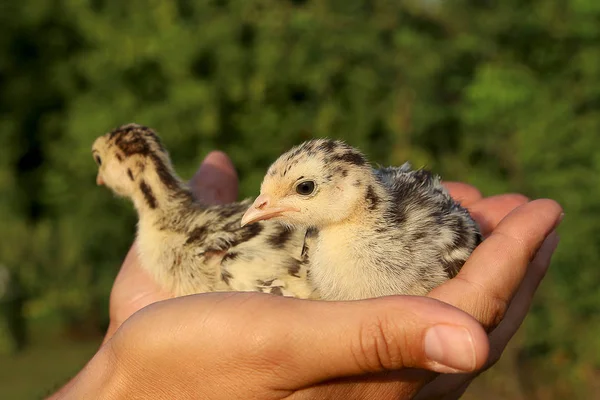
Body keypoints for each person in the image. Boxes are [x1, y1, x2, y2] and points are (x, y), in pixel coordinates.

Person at [48, 151, 562, 400]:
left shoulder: (439, 245)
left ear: (355, 191)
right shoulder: (312, 249)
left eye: (305, 188)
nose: (262, 206)